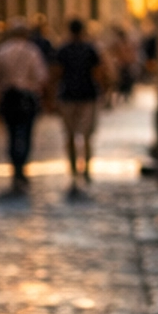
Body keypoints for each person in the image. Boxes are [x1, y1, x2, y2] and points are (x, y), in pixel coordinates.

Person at [0, 22, 49, 190]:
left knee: (11, 133)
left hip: (8, 96)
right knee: (26, 133)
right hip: (28, 96)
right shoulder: (32, 51)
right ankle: (22, 167)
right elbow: (41, 76)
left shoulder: (1, 51)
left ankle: (15, 168)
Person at [55, 17, 106, 189]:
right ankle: (86, 170)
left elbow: (56, 74)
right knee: (87, 136)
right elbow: (98, 72)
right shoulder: (90, 49)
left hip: (67, 96)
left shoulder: (63, 50)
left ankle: (73, 170)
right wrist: (103, 93)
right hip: (87, 96)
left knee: (69, 135)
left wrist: (51, 97)